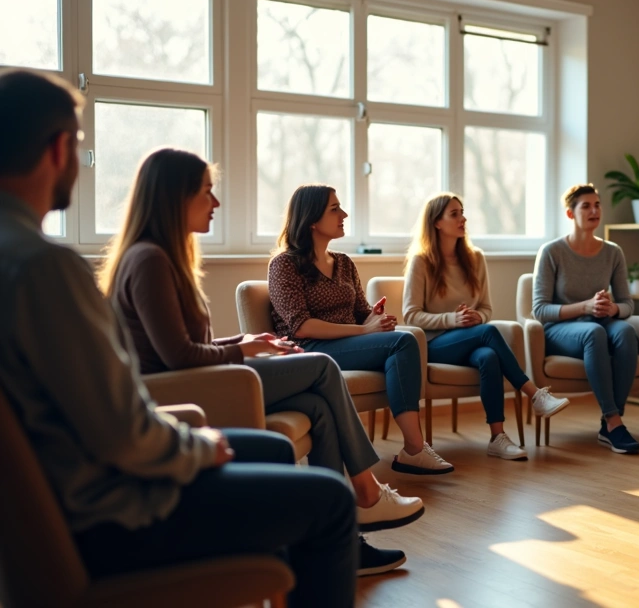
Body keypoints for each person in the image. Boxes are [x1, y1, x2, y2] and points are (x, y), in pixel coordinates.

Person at [0, 68, 358, 607]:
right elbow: (122, 431)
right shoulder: (44, 269)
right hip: (112, 510)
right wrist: (196, 445)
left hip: (71, 493)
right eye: (77, 143)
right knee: (330, 501)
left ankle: (263, 570)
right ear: (56, 149)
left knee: (273, 447)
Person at [99, 148, 421, 576]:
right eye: (206, 192)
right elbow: (177, 358)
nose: (215, 203)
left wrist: (246, 338)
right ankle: (365, 492)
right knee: (323, 367)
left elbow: (185, 344)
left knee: (318, 407)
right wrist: (243, 351)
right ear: (175, 198)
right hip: (188, 391)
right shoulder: (149, 260)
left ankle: (340, 543)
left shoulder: (164, 259)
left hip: (200, 377)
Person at [268, 184, 452, 475]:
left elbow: (361, 314)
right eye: (334, 209)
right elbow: (301, 327)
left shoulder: (343, 262)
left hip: (344, 345)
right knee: (402, 343)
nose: (344, 213)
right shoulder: (284, 265)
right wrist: (365, 332)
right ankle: (415, 449)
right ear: (312, 219)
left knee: (401, 343)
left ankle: (413, 450)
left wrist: (374, 320)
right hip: (310, 351)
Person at [402, 192, 570, 460]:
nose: (463, 218)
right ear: (437, 222)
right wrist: (451, 319)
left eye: (462, 212)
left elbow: (486, 309)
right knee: (490, 333)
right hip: (434, 344)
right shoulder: (421, 261)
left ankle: (497, 437)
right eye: (454, 214)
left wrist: (475, 318)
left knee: (489, 356)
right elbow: (411, 315)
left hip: (470, 339)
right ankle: (534, 393)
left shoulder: (475, 258)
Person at [532, 184, 639, 454]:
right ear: (570, 214)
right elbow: (540, 310)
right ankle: (614, 421)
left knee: (627, 333)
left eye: (597, 205)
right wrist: (586, 307)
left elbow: (628, 303)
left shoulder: (613, 252)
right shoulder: (552, 252)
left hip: (599, 322)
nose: (594, 210)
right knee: (595, 332)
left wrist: (611, 309)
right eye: (586, 206)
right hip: (560, 329)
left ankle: (609, 423)